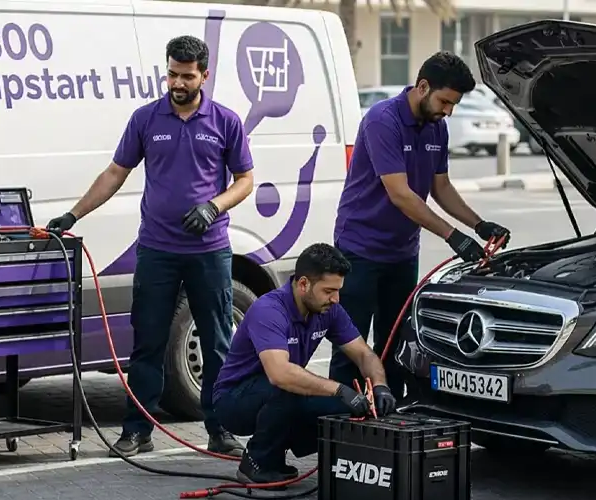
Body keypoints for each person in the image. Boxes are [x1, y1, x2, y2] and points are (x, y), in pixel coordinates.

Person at [46, 35, 254, 457]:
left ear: (204, 76)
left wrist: (214, 207)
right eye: (173, 74)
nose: (178, 83)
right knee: (147, 342)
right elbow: (115, 173)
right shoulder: (146, 119)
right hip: (157, 250)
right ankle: (137, 430)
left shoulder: (225, 121)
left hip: (209, 251)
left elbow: (245, 180)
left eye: (187, 76)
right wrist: (74, 215)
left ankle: (220, 430)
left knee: (216, 343)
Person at [329, 52, 511, 399]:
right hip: (360, 250)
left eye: (454, 104)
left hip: (401, 253)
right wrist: (453, 237)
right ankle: (338, 426)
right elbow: (401, 194)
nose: (448, 111)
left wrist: (479, 225)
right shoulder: (383, 119)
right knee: (351, 346)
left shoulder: (436, 127)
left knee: (394, 343)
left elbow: (439, 187)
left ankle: (390, 418)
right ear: (422, 86)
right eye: (445, 101)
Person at [213, 243, 397, 485]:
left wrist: (380, 386)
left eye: (338, 290)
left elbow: (364, 354)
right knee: (292, 388)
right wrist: (340, 390)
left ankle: (277, 453)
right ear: (303, 285)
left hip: (275, 393)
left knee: (346, 408)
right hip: (234, 401)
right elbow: (280, 374)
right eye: (329, 291)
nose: (336, 298)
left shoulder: (329, 309)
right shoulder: (270, 310)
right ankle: (256, 462)